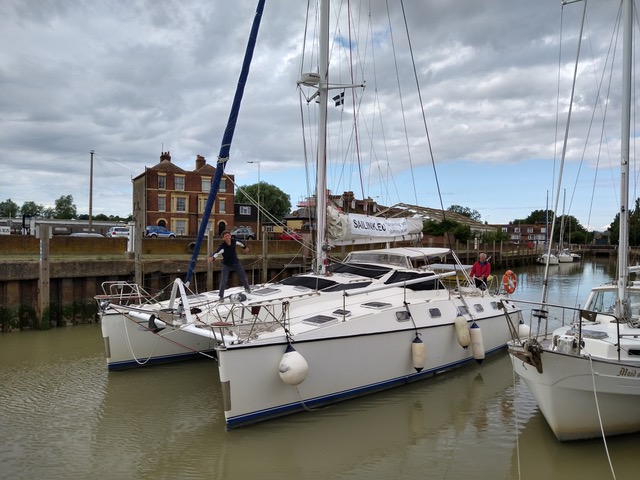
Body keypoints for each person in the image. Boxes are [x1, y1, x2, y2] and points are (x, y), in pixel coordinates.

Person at [208, 230, 251, 301]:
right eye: (226, 236)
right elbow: (217, 252)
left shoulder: (234, 241)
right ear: (223, 238)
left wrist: (245, 248)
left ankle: (247, 290)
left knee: (244, 277)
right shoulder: (222, 246)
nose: (227, 237)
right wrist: (212, 257)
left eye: (228, 236)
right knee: (223, 281)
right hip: (226, 265)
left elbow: (241, 243)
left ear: (230, 236)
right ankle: (221, 296)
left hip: (236, 263)